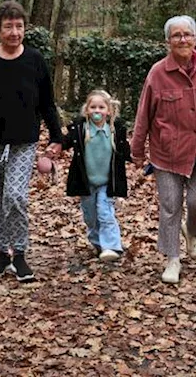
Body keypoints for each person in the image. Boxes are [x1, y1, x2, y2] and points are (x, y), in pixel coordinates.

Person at [0, 0, 63, 283]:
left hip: (23, 141)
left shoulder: (35, 61)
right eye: (8, 27)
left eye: (19, 26)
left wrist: (57, 137)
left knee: (15, 195)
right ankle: (1, 253)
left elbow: (47, 103)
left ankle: (19, 253)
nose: (14, 32)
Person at [130, 15, 196, 285]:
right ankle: (172, 259)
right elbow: (144, 114)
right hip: (167, 153)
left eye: (187, 34)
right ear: (167, 42)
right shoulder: (157, 73)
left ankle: (193, 231)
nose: (182, 39)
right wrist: (137, 149)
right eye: (176, 35)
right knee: (170, 206)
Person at [63, 89, 130, 262]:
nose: (97, 111)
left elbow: (125, 151)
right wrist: (53, 148)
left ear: (108, 111)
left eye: (101, 107)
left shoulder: (114, 131)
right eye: (93, 107)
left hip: (107, 183)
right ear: (87, 110)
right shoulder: (80, 130)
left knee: (105, 212)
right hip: (86, 182)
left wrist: (136, 157)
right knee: (90, 216)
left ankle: (111, 246)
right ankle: (98, 243)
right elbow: (66, 142)